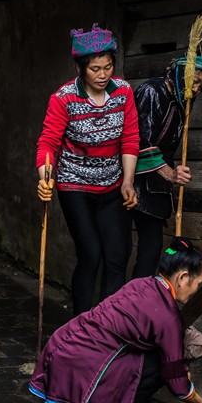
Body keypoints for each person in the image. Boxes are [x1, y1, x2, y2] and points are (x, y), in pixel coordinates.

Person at [28, 237, 202, 403]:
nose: (197, 290)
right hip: (82, 362)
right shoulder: (167, 316)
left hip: (63, 345)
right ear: (183, 277)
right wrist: (201, 402)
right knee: (161, 366)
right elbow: (176, 380)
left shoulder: (143, 284)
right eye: (199, 283)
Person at [130, 0, 202, 278]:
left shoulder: (185, 94)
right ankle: (129, 310)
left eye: (201, 85)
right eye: (194, 81)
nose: (196, 88)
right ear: (182, 71)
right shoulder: (152, 91)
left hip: (156, 186)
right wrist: (171, 174)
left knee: (151, 249)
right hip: (135, 180)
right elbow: (141, 142)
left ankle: (143, 307)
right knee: (131, 250)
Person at [36, 24, 140, 316]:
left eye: (108, 67)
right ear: (80, 68)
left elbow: (130, 137)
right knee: (91, 255)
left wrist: (128, 182)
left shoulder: (123, 92)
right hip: (75, 186)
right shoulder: (64, 98)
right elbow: (48, 143)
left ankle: (110, 326)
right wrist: (45, 178)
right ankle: (80, 326)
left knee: (118, 256)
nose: (103, 74)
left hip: (112, 184)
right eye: (95, 69)